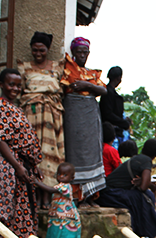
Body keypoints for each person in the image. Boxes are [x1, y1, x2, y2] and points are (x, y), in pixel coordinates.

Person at [0, 68, 42, 238]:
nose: (15, 88)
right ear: (2, 84)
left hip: (21, 163)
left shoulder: (13, 107)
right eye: (11, 84)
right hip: (7, 165)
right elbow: (0, 141)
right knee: (9, 209)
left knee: (23, 207)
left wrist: (33, 164)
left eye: (18, 85)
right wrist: (17, 166)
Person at [17, 31, 65, 208]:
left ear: (48, 49)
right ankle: (35, 196)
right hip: (31, 116)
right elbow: (20, 91)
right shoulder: (24, 67)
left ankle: (47, 197)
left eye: (41, 50)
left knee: (50, 156)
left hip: (52, 118)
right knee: (33, 156)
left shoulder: (57, 67)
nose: (38, 54)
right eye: (35, 50)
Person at [60, 37, 107, 206]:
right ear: (73, 53)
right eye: (78, 52)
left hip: (90, 119)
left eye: (85, 52)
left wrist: (87, 86)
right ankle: (77, 198)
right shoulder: (67, 70)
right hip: (74, 118)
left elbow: (103, 90)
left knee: (92, 154)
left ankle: (90, 196)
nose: (82, 55)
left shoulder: (92, 74)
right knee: (75, 155)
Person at [98, 138, 156, 238]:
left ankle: (143, 234)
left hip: (107, 192)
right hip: (110, 193)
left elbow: (143, 184)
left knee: (145, 195)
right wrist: (146, 183)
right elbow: (143, 187)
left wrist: (146, 183)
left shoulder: (139, 158)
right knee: (144, 198)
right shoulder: (146, 161)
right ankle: (148, 236)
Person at [34, 162, 81, 238]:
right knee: (56, 234)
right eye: (59, 174)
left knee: (68, 236)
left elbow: (50, 190)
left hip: (65, 215)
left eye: (65, 175)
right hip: (57, 215)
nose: (61, 177)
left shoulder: (65, 186)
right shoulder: (59, 185)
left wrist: (37, 183)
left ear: (71, 178)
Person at [99, 66, 132, 150]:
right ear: (119, 78)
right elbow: (108, 114)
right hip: (110, 133)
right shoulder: (108, 93)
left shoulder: (107, 92)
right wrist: (123, 123)